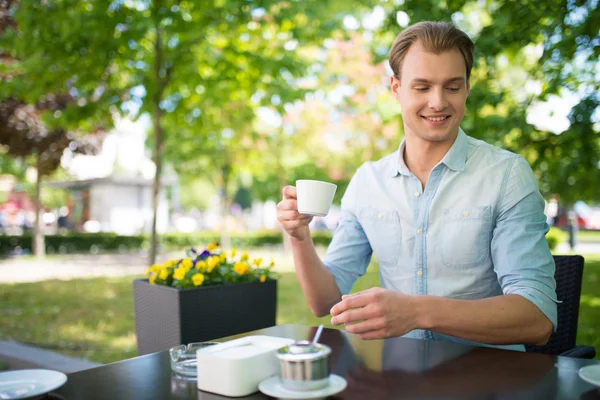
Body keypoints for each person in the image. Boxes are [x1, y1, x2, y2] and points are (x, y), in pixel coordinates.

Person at [276, 21, 557, 351]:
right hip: (398, 380)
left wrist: (417, 312)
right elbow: (324, 301)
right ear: (396, 88)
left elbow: (537, 319)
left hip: (488, 380)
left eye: (452, 87)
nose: (438, 102)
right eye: (422, 87)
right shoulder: (368, 182)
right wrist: (299, 237)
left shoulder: (507, 175)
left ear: (467, 87)